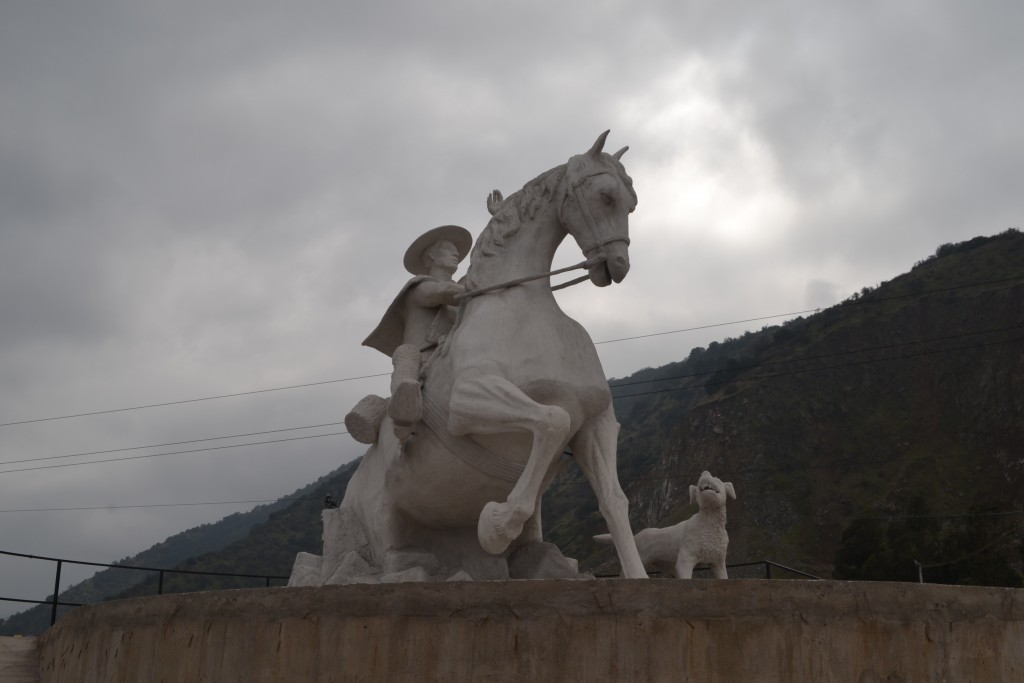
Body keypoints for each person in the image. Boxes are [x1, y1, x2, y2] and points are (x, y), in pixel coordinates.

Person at [359, 225, 473, 441]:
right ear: (431, 255)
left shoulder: (463, 285)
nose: (456, 253)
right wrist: (473, 289)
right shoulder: (420, 285)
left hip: (453, 349)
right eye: (449, 248)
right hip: (422, 355)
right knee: (407, 362)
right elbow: (440, 293)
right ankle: (402, 414)